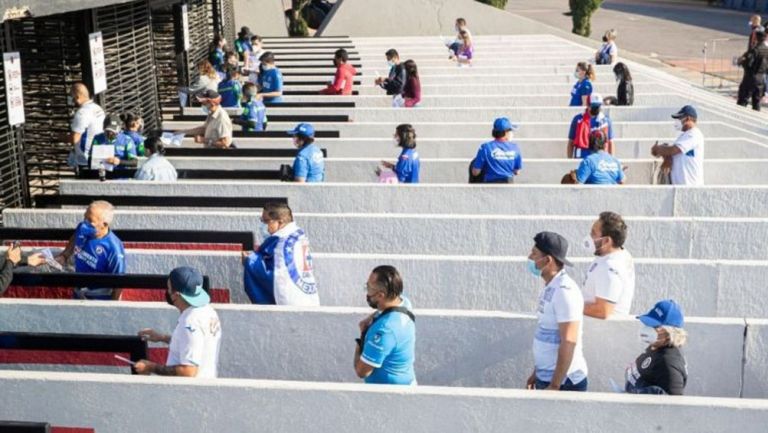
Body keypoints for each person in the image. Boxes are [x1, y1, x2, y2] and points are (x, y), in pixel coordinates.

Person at [525, 232, 588, 392]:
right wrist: (537, 372)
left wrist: (554, 385)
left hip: (564, 383)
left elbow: (568, 341)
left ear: (548, 260)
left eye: (534, 254)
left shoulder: (564, 291)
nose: (529, 257)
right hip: (546, 378)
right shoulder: (550, 287)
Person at [134, 267, 222, 378]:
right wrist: (162, 338)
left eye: (169, 288)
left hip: (188, 393)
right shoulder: (208, 311)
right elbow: (191, 343)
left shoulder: (190, 322)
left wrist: (150, 367)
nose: (167, 292)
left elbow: (189, 371)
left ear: (176, 295)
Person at [27, 201, 126, 300]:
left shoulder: (114, 249)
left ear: (104, 224)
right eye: (85, 217)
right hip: (78, 293)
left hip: (98, 298)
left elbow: (119, 282)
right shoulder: (82, 228)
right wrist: (65, 255)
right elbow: (75, 237)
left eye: (90, 220)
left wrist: (113, 306)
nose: (84, 223)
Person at [243, 202, 320, 306]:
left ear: (280, 222)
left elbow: (269, 273)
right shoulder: (298, 234)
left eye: (265, 221)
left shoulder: (279, 240)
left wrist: (249, 259)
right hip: (308, 298)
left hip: (289, 300)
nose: (262, 225)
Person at [354, 265, 416, 385]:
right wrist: (371, 317)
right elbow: (388, 311)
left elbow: (362, 371)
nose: (366, 292)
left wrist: (361, 337)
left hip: (390, 397)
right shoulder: (404, 303)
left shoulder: (384, 331)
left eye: (368, 288)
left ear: (380, 295)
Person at [625, 300, 688, 395]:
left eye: (654, 326)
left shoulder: (669, 363)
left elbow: (673, 405)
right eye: (647, 324)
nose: (647, 328)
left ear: (670, 332)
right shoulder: (656, 345)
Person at [581, 212, 635, 318]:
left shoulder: (610, 268)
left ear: (606, 241)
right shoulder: (617, 254)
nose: (589, 237)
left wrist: (572, 306)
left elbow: (603, 310)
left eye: (593, 233)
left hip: (599, 332)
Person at [650, 105, 704, 186]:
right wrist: (667, 157)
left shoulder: (694, 134)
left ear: (688, 118)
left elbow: (673, 150)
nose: (677, 121)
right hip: (680, 187)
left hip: (690, 186)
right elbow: (673, 152)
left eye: (679, 118)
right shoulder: (683, 136)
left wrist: (657, 149)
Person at [470, 117, 523, 183]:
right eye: (511, 130)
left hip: (489, 186)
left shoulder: (485, 147)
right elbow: (517, 171)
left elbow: (475, 172)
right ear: (506, 132)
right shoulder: (515, 148)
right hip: (508, 185)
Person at [68, 82, 106, 168]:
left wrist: (59, 137)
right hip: (98, 153)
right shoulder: (98, 108)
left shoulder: (82, 113)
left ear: (77, 97)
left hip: (85, 159)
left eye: (71, 96)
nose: (70, 99)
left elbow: (74, 139)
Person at [737, 31, 768, 111]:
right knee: (757, 103)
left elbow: (749, 64)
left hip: (750, 78)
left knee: (742, 101)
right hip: (761, 79)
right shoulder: (766, 50)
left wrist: (742, 61)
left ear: (756, 38)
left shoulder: (755, 50)